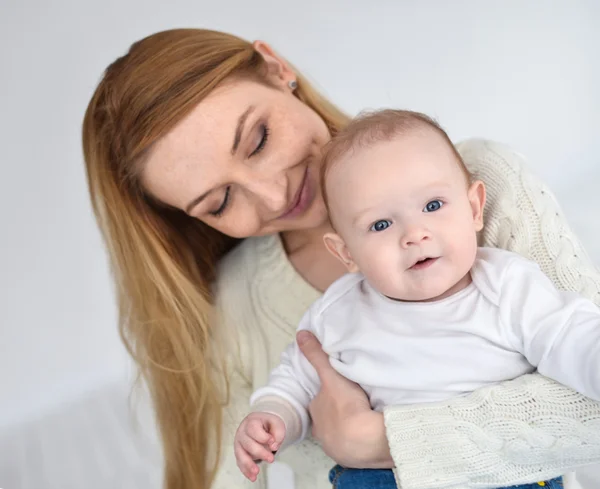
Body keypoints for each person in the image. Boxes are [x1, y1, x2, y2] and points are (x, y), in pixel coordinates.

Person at [81, 28, 600, 489]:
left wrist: (376, 442)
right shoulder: (242, 304)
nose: (272, 195)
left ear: (277, 69)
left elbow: (589, 408)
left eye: (258, 140)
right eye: (219, 202)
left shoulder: (482, 179)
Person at [234, 109, 600, 489]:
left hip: (500, 475)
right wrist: (273, 415)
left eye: (432, 206)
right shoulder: (338, 310)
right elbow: (297, 380)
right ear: (346, 254)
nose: (414, 234)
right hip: (379, 478)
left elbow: (572, 338)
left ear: (474, 208)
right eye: (380, 225)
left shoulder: (505, 284)